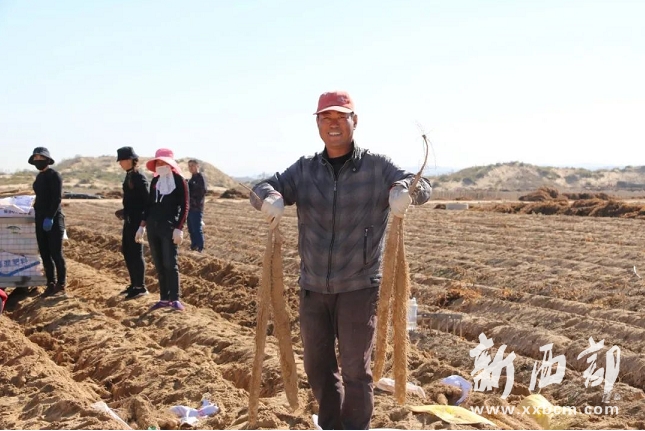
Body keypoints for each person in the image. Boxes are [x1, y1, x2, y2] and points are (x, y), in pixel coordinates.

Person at [250, 91, 432, 430]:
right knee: (317, 368)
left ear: (354, 121)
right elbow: (261, 187)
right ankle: (331, 425)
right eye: (326, 117)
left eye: (340, 117)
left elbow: (422, 185)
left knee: (355, 371)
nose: (333, 124)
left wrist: (404, 192)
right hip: (313, 287)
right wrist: (269, 198)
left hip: (358, 287)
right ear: (317, 123)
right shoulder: (304, 170)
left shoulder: (376, 167)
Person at [137, 148, 189, 311]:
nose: (160, 165)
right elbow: (148, 205)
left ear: (170, 164)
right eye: (157, 162)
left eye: (163, 162)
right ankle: (164, 298)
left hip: (169, 227)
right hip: (153, 226)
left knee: (170, 263)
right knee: (159, 263)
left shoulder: (180, 181)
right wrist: (142, 226)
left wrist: (179, 228)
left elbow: (185, 205)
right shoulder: (155, 182)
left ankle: (175, 298)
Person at [29, 147, 68, 297]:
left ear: (47, 159)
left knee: (56, 253)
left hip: (53, 219)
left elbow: (56, 199)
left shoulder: (54, 175)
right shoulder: (39, 177)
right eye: (36, 158)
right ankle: (50, 283)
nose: (38, 160)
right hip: (40, 218)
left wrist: (50, 217)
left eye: (41, 158)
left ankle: (61, 284)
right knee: (44, 253)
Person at [115, 146, 150, 299]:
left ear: (130, 160)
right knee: (127, 251)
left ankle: (140, 287)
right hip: (129, 220)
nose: (120, 163)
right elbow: (132, 200)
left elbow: (146, 202)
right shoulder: (129, 175)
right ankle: (134, 283)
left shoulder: (139, 177)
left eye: (122, 160)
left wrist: (143, 223)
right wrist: (124, 211)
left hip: (137, 221)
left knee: (136, 252)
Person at [187, 159, 207, 252]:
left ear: (197, 166)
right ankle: (194, 246)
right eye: (189, 166)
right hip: (189, 208)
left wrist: (192, 197)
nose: (191, 167)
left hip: (196, 208)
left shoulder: (201, 178)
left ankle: (200, 248)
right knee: (191, 229)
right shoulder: (191, 179)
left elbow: (202, 191)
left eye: (192, 165)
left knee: (196, 228)